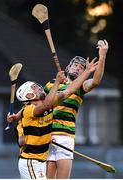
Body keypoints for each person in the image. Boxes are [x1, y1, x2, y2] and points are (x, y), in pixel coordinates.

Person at [7, 61, 98, 179]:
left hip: (40, 161)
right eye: (35, 88)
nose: (39, 88)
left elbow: (69, 90)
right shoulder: (30, 110)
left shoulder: (49, 106)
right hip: (30, 161)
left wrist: (87, 71)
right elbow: (22, 140)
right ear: (29, 96)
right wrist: (57, 82)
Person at [44, 40, 109, 179]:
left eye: (81, 67)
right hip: (46, 136)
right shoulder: (50, 84)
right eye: (75, 65)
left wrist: (102, 56)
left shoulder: (81, 86)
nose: (77, 68)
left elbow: (96, 81)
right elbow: (39, 106)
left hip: (65, 137)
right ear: (68, 67)